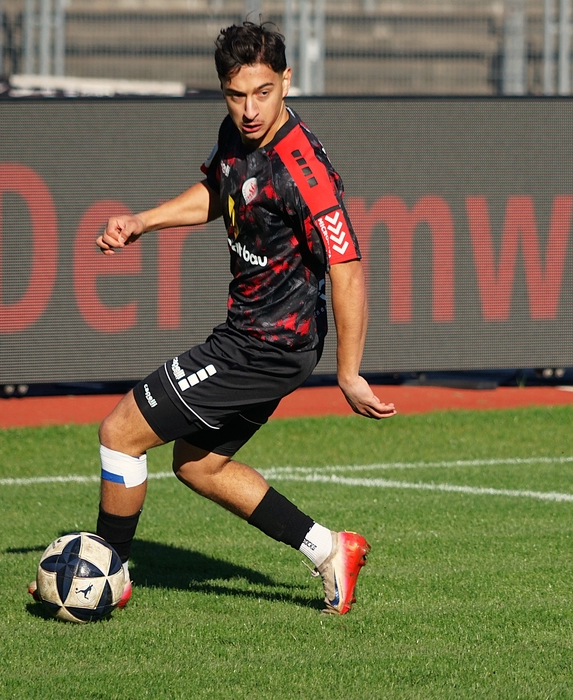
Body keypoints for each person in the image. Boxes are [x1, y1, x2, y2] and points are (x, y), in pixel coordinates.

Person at [29, 22, 396, 615]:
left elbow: (348, 268)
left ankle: (103, 575)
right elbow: (218, 191)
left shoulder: (304, 172)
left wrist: (349, 373)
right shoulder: (237, 134)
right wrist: (143, 221)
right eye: (236, 94)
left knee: (121, 432)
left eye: (263, 93)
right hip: (259, 336)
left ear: (287, 81)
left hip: (265, 344)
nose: (249, 110)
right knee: (199, 466)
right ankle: (330, 549)